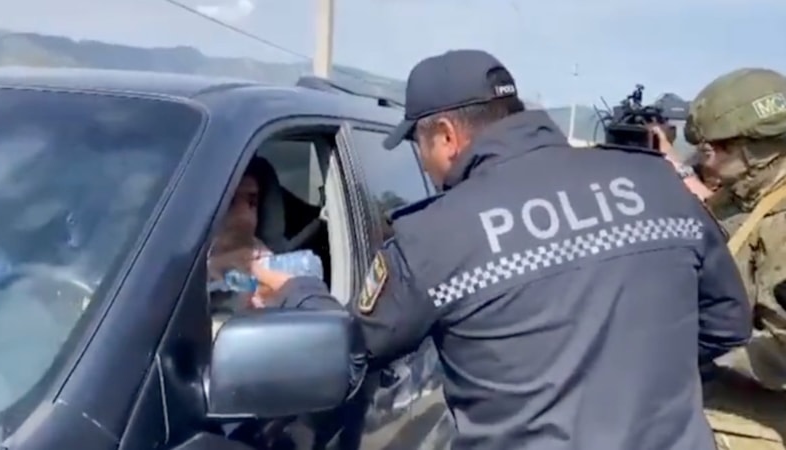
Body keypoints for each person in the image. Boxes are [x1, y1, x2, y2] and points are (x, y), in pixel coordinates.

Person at [252, 49, 751, 450]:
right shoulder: (655, 181)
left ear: (446, 135)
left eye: (419, 145)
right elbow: (728, 323)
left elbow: (348, 355)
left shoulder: (433, 235)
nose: (423, 164)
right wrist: (637, 372)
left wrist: (298, 290)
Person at [684, 67, 786, 450]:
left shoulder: (779, 225)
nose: (704, 163)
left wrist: (697, 351)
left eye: (710, 151)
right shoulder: (737, 200)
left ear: (754, 149)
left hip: (761, 409)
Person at [209, 159, 273, 311]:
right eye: (229, 202)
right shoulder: (173, 259)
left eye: (252, 202)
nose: (245, 217)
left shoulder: (266, 262)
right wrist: (211, 268)